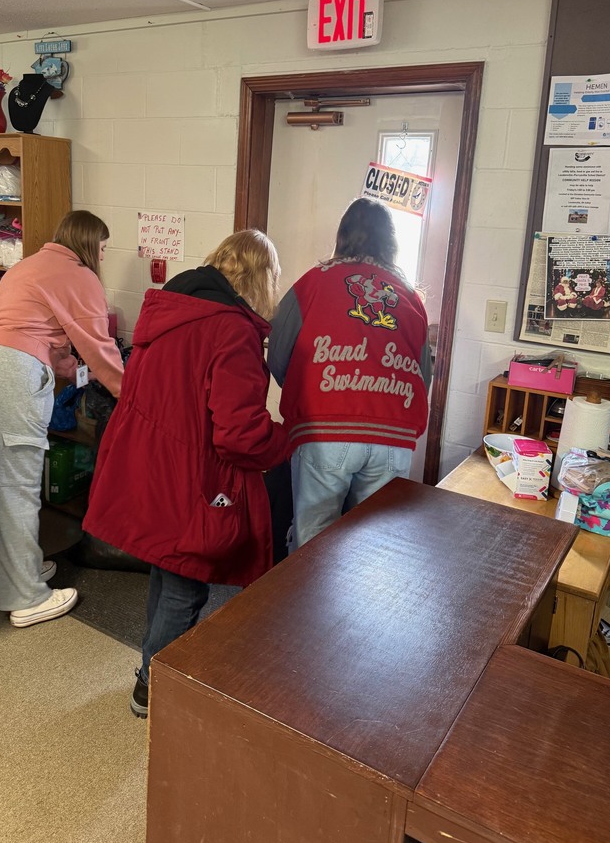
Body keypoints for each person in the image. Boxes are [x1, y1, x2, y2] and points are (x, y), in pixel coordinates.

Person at [83, 229, 289, 718]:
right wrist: (288, 438)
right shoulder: (232, 330)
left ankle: (147, 671)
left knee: (165, 570)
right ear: (262, 278)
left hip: (149, 464)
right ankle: (152, 687)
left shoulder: (170, 311)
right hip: (191, 475)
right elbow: (239, 434)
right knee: (186, 583)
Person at [0, 210, 124, 628]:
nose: (102, 255)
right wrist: (134, 393)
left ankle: (18, 568)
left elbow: (35, 331)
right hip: (10, 376)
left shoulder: (31, 264)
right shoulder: (79, 273)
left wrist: (68, 369)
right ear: (89, 244)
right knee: (19, 487)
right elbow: (100, 346)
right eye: (102, 247)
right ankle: (26, 597)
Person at [267, 197, 432, 552]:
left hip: (325, 428)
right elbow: (424, 375)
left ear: (341, 237)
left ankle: (308, 608)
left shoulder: (312, 283)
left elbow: (277, 354)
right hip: (393, 435)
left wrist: (309, 386)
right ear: (391, 243)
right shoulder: (409, 296)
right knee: (375, 548)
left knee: (312, 540)